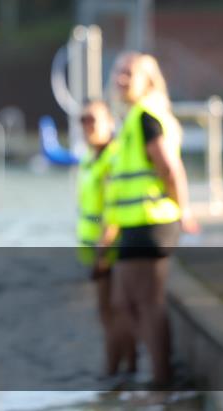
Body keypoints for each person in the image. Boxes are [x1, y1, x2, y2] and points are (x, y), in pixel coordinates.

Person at [100, 52, 197, 388]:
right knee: (125, 302)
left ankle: (161, 381)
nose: (120, 78)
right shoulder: (132, 118)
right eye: (118, 71)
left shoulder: (146, 117)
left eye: (129, 73)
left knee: (146, 303)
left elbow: (169, 167)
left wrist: (182, 211)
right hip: (134, 224)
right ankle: (153, 377)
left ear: (147, 81)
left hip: (151, 223)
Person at [76, 100, 135, 378]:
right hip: (94, 248)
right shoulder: (90, 158)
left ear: (110, 122)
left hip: (109, 249)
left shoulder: (113, 158)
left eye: (93, 120)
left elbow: (113, 208)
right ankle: (122, 370)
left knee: (112, 311)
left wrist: (103, 250)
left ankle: (114, 373)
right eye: (83, 120)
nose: (87, 126)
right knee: (111, 311)